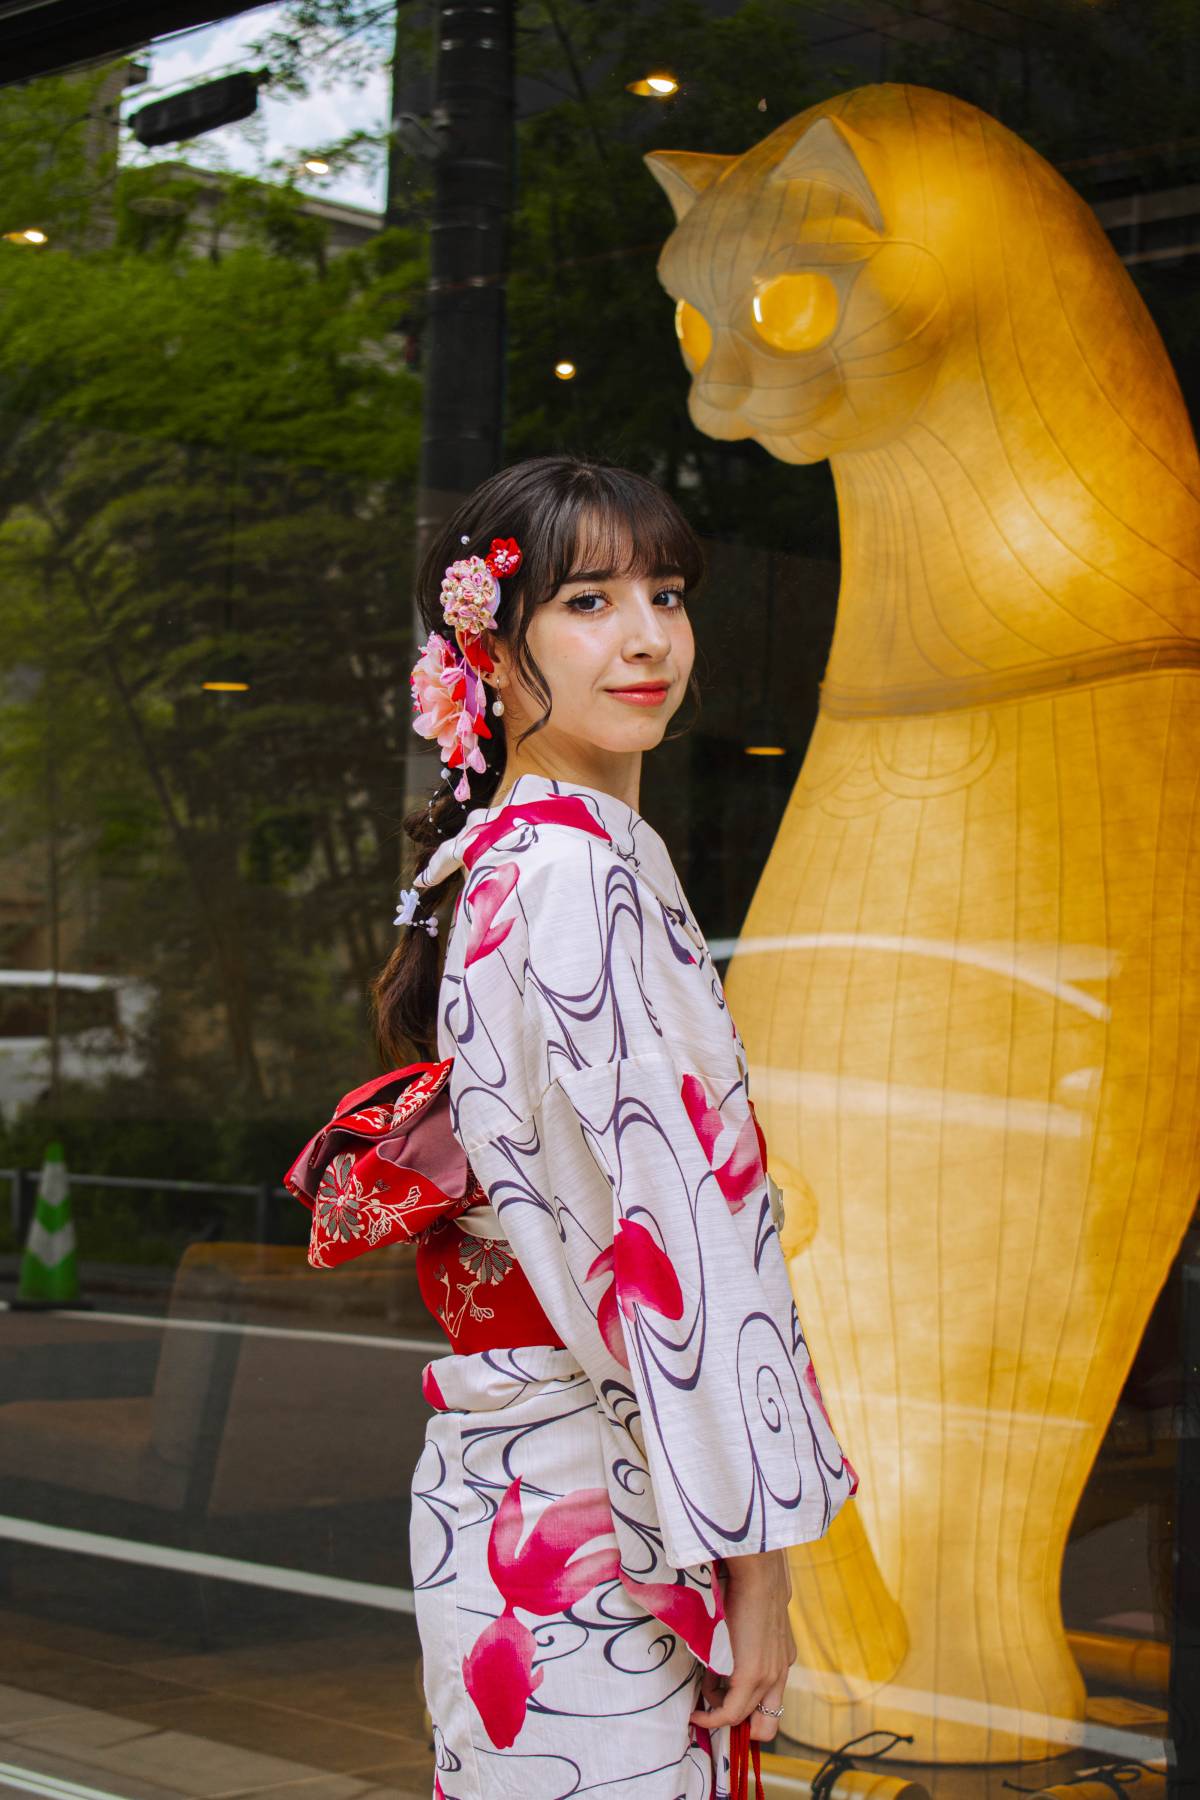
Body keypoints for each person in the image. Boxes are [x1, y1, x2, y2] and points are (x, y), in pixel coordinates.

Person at [371, 454, 858, 1800]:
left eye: (668, 592)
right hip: (599, 1515)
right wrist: (759, 1573)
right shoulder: (577, 875)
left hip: (521, 1480)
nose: (648, 637)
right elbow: (680, 1255)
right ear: (490, 641)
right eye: (588, 600)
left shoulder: (515, 856)